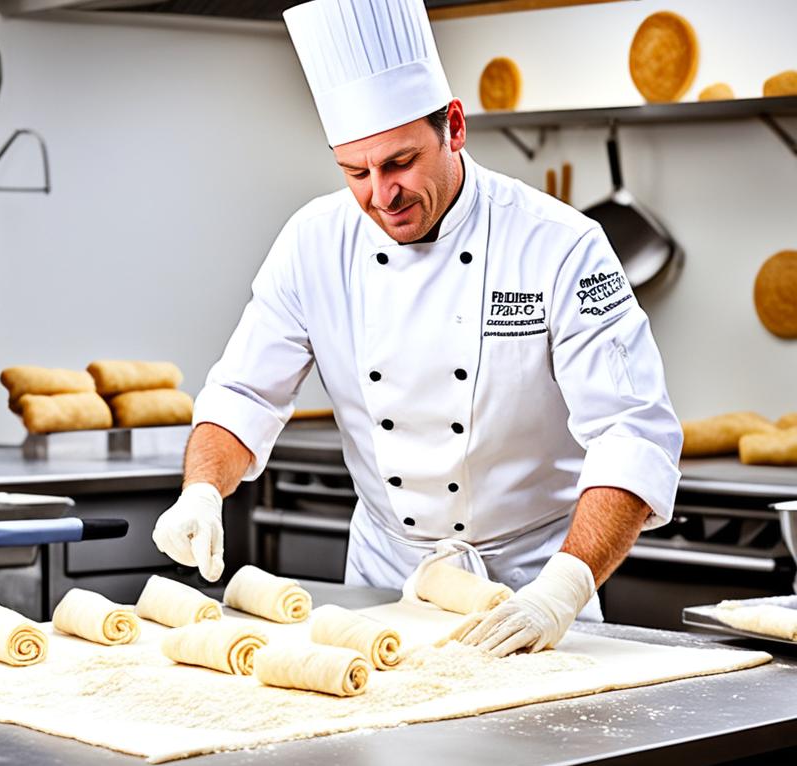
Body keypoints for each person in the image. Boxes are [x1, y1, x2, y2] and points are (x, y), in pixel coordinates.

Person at [153, 0, 682, 657]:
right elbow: (244, 395)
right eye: (355, 172)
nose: (381, 194)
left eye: (400, 162)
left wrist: (562, 590)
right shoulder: (312, 243)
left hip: (530, 589)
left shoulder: (560, 245)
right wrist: (201, 490)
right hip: (380, 591)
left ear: (454, 126)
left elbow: (631, 432)